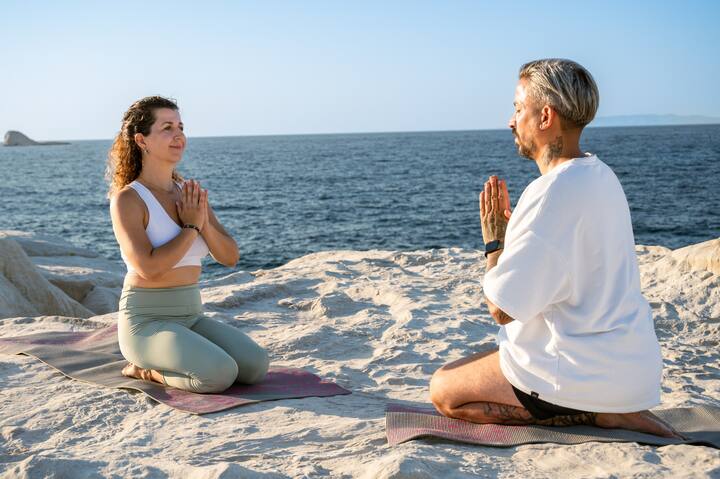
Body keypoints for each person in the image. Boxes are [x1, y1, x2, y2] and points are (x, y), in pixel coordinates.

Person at [429, 59, 682, 438]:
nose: (511, 121)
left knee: (444, 389)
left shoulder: (550, 192)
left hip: (579, 375)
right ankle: (608, 410)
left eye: (518, 109)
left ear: (545, 116)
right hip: (632, 375)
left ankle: (590, 414)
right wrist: (521, 236)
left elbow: (502, 311)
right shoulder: (601, 175)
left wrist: (495, 245)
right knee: (485, 362)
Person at [107, 96, 269, 393]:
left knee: (256, 366)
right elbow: (149, 268)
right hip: (146, 322)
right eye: (167, 127)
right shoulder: (128, 199)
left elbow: (230, 256)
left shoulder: (189, 194)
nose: (178, 134)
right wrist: (191, 227)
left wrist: (202, 221)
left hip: (191, 316)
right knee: (219, 374)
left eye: (180, 126)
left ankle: (173, 358)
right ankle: (145, 371)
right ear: (141, 140)